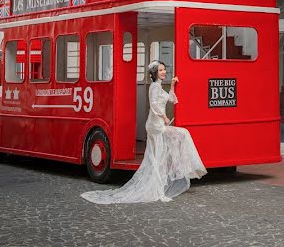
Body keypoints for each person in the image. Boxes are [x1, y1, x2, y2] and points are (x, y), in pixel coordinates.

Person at [81, 60, 207, 204]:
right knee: (181, 135)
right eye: (160, 70)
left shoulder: (159, 86)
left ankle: (166, 180)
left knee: (161, 152)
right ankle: (179, 174)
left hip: (158, 124)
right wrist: (164, 117)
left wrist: (172, 84)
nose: (163, 72)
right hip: (156, 126)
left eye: (164, 69)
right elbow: (153, 105)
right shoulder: (154, 87)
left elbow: (171, 99)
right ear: (154, 73)